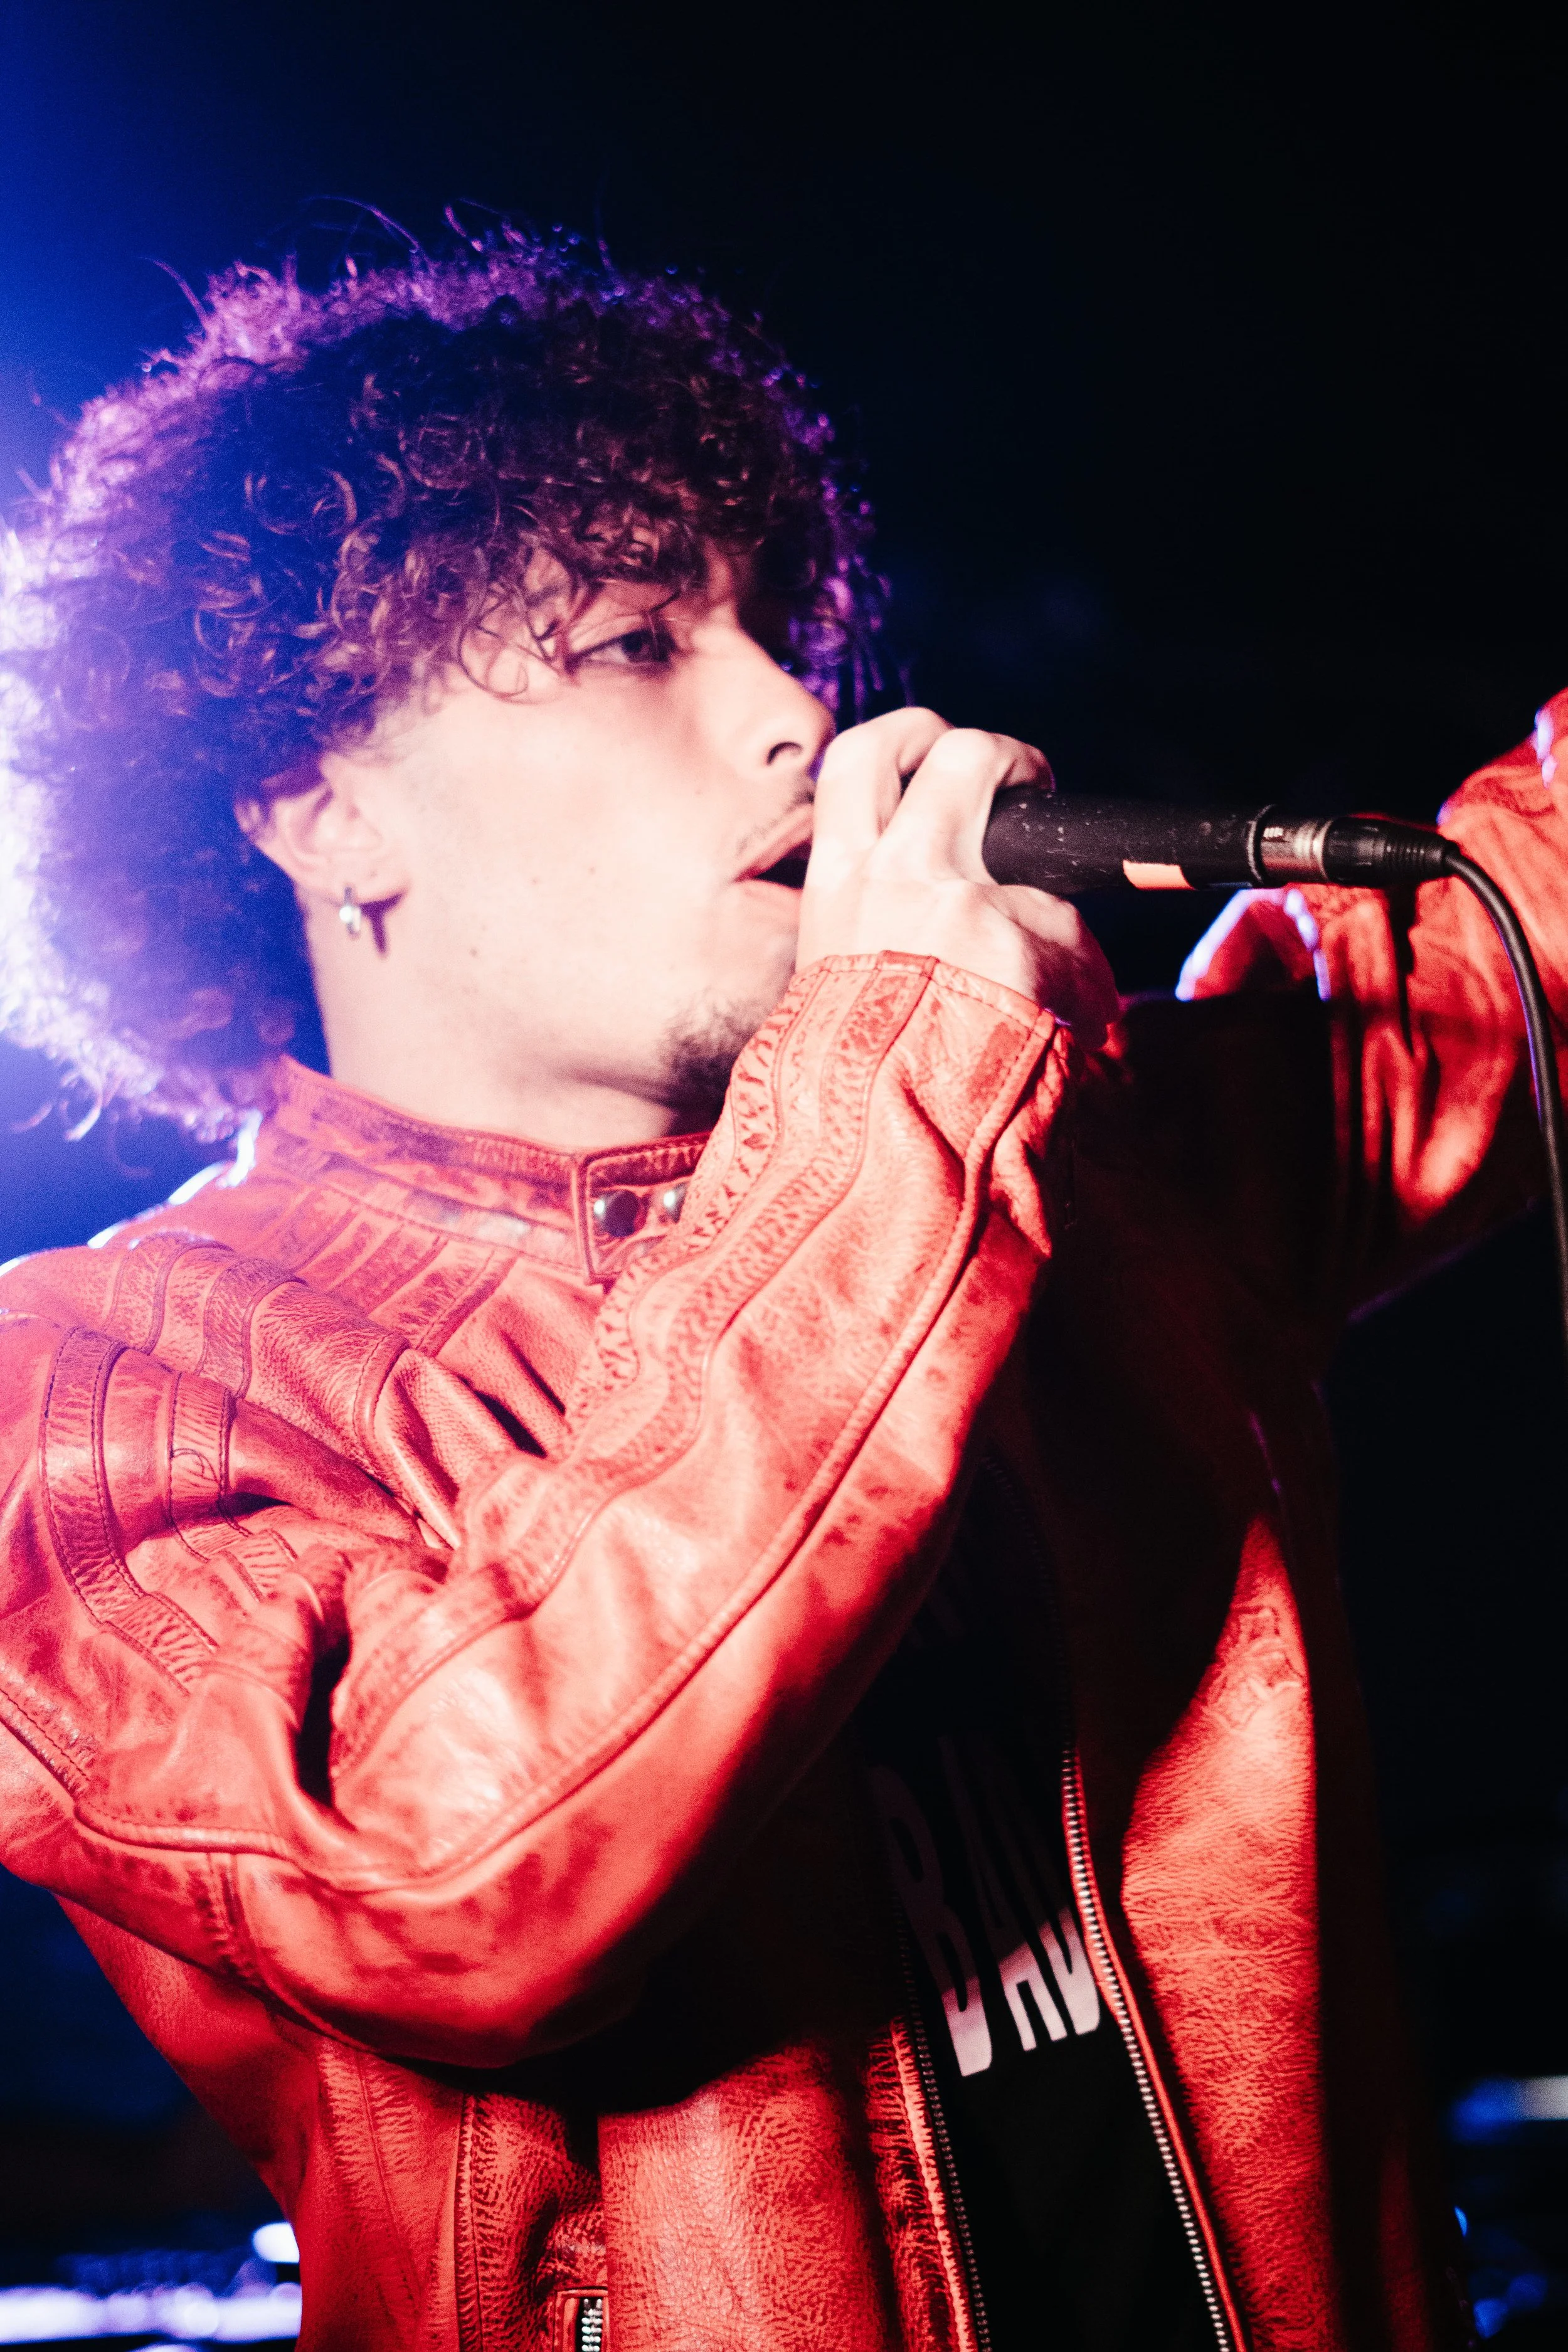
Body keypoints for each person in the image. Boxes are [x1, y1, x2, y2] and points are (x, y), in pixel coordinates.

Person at [0, 226, 1550, 2352]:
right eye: (636, 642)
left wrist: (924, 1089)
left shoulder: (1064, 1164)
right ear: (320, 803)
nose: (792, 713)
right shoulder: (105, 1384)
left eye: (765, 629)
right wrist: (898, 1063)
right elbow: (454, 1865)